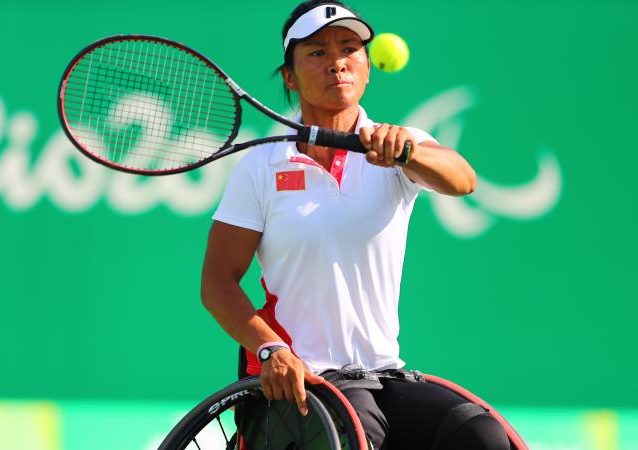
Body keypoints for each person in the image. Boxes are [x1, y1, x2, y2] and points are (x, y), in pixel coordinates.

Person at [200, 1, 509, 449]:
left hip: (382, 374)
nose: (337, 63)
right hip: (301, 383)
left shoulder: (401, 146)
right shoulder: (261, 167)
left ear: (367, 68)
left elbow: (463, 180)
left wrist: (407, 153)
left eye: (349, 49)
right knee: (359, 433)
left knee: (478, 434)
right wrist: (271, 349)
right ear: (290, 76)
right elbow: (217, 282)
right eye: (317, 53)